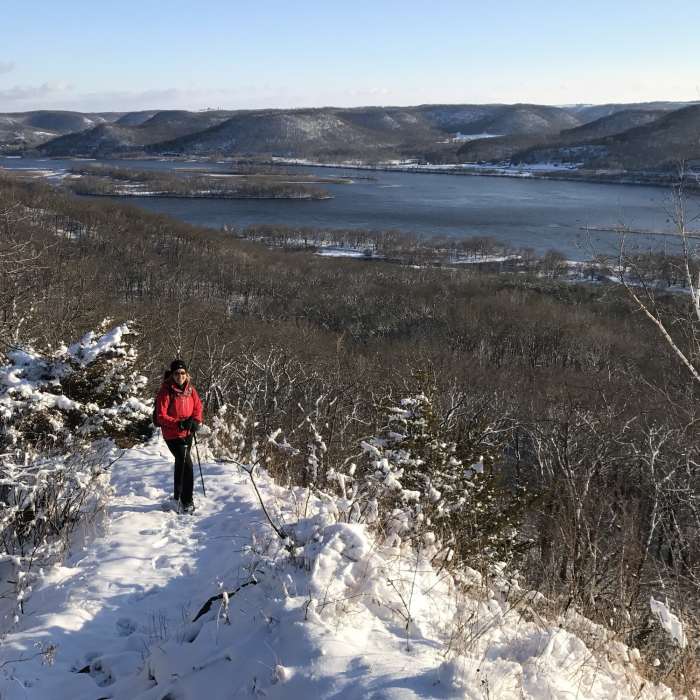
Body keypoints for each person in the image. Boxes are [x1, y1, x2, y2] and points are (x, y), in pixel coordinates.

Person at [155, 359, 203, 513]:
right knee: (187, 465)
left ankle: (178, 496)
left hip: (188, 432)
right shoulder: (166, 390)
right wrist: (179, 424)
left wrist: (196, 420)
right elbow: (160, 416)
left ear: (187, 374)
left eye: (182, 373)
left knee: (181, 463)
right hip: (172, 434)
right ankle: (187, 501)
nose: (180, 376)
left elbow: (198, 407)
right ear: (172, 375)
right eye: (176, 373)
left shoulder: (190, 389)